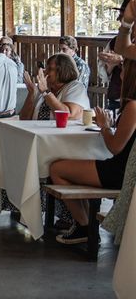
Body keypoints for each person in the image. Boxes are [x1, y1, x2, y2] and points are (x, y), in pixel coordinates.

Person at [50, 58, 136, 245]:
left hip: (121, 172)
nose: (119, 72)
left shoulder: (133, 106)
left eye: (123, 68)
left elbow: (115, 147)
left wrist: (105, 127)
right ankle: (85, 224)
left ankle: (84, 225)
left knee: (57, 169)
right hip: (123, 168)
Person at [19, 53, 89, 121]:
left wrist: (45, 92)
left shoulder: (76, 87)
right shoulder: (43, 88)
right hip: (39, 132)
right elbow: (24, 118)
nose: (45, 71)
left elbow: (68, 115)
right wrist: (32, 93)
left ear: (62, 71)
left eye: (50, 69)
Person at [98, 0, 132, 112]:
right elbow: (103, 77)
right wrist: (110, 67)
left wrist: (121, 60)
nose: (120, 19)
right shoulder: (113, 42)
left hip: (132, 99)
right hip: (115, 99)